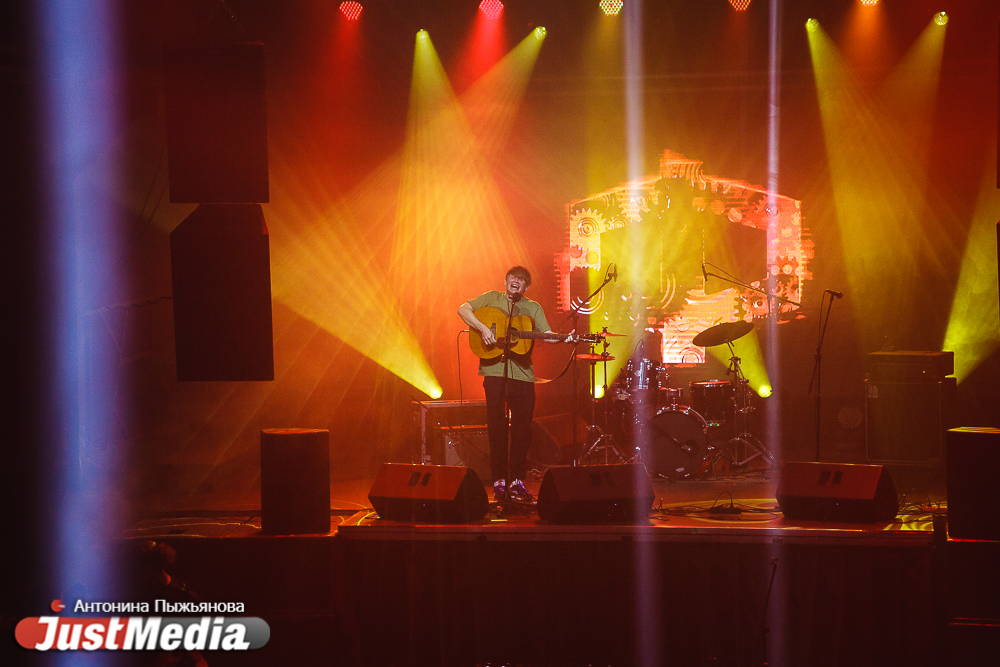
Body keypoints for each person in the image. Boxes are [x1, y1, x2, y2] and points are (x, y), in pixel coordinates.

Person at [458, 266, 573, 502]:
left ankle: (517, 481)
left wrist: (564, 339)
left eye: (521, 280)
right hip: (494, 374)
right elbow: (463, 309)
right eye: (513, 278)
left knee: (522, 431)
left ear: (526, 287)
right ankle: (499, 481)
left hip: (522, 376)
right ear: (506, 280)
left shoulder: (533, 307)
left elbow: (547, 334)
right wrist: (482, 328)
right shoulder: (491, 298)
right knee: (496, 429)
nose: (516, 281)